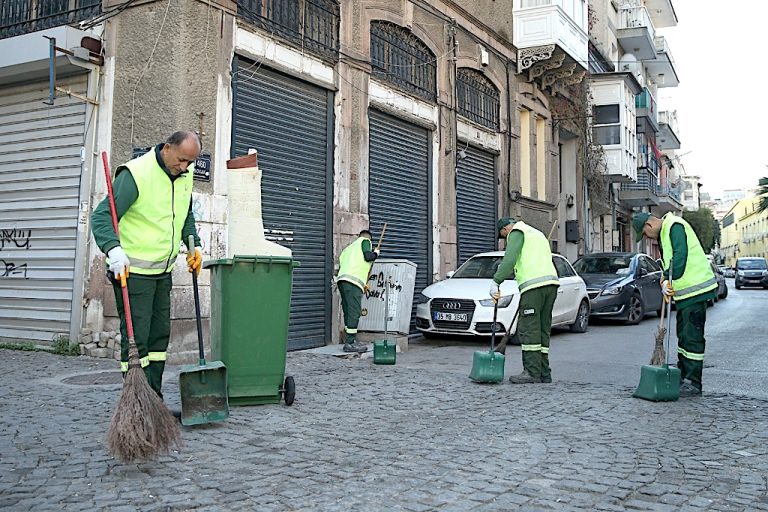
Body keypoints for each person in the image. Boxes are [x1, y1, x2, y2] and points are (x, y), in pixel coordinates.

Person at [91, 131, 202, 399]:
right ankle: (135, 399)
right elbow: (102, 217)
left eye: (189, 162)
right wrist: (113, 250)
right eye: (181, 160)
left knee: (158, 338)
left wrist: (193, 244)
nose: (184, 167)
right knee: (137, 340)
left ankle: (154, 395)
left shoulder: (184, 173)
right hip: (134, 274)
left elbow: (184, 212)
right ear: (166, 148)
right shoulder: (136, 174)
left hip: (162, 273)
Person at [632, 212, 717, 397]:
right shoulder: (665, 234)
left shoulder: (674, 226)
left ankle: (693, 382)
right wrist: (664, 281)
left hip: (696, 291)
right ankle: (683, 375)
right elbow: (667, 265)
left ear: (648, 225)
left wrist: (671, 277)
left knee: (692, 337)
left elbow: (680, 257)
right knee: (683, 337)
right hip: (685, 295)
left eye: (645, 233)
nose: (647, 237)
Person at [491, 217, 560, 384]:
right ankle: (544, 372)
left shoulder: (517, 233)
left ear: (505, 230)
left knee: (530, 328)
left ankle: (531, 372)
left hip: (533, 286)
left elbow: (510, 259)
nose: (505, 240)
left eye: (503, 236)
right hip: (551, 284)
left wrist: (496, 281)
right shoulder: (537, 233)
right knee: (543, 328)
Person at [335, 229, 380, 353]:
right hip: (353, 282)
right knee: (354, 311)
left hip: (342, 281)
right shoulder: (365, 241)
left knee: (348, 310)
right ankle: (350, 343)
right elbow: (367, 256)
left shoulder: (348, 249)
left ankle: (348, 339)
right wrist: (375, 253)